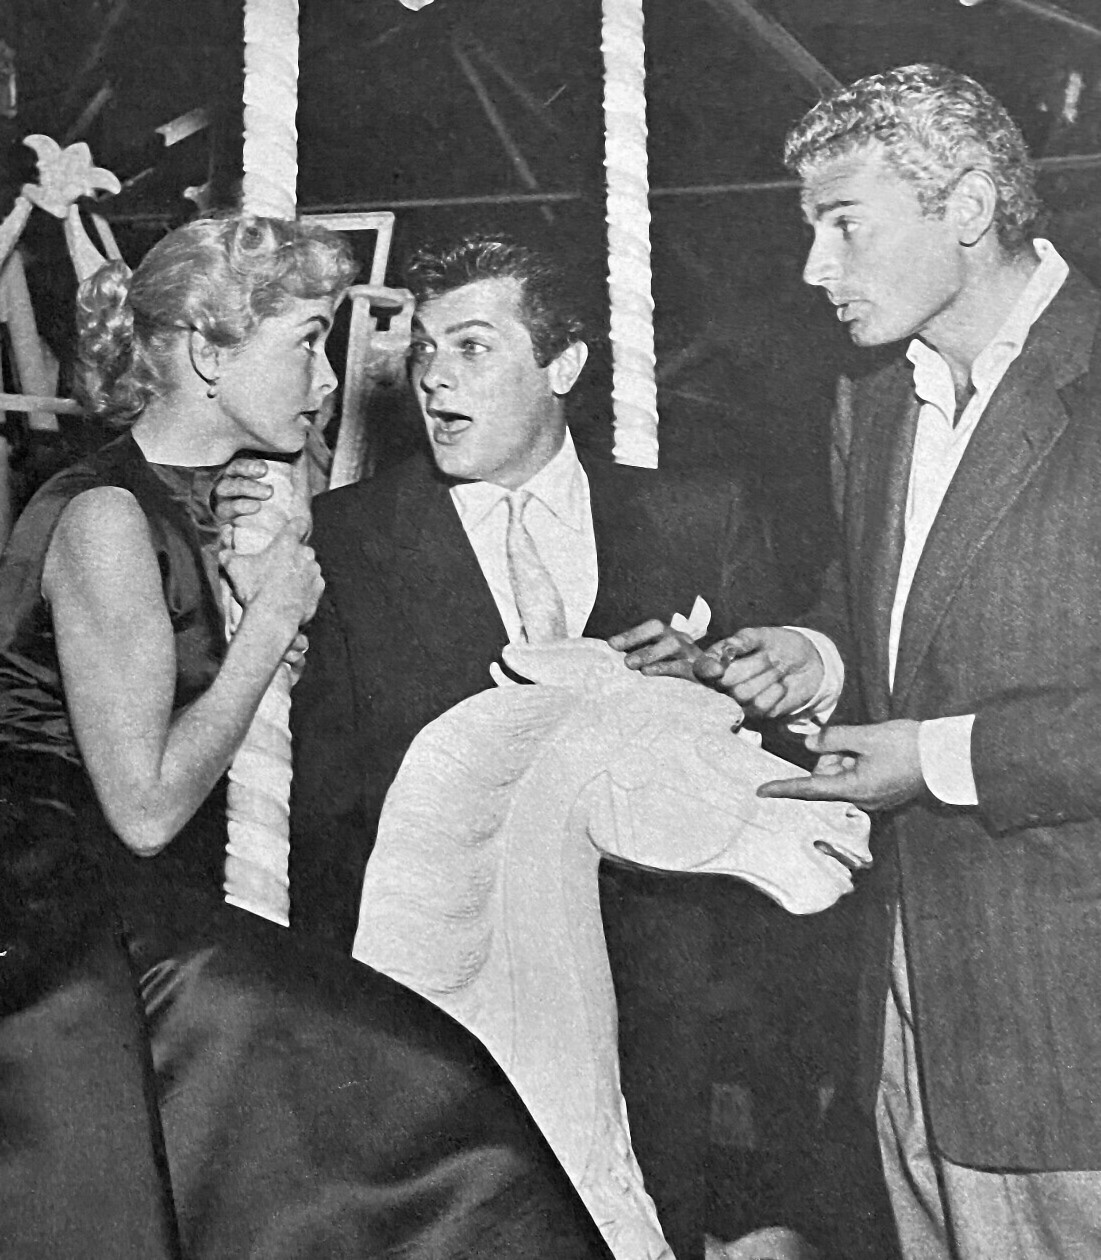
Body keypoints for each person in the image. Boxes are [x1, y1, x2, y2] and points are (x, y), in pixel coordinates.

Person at [0, 213, 614, 1260]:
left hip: (121, 891)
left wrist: (259, 606)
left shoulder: (192, 507)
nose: (329, 381)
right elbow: (145, 809)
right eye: (306, 343)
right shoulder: (104, 516)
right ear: (209, 355)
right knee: (431, 1095)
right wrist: (270, 624)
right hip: (58, 904)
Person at [221, 232, 790, 1259]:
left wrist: (709, 692)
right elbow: (313, 803)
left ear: (561, 363)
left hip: (657, 1013)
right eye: (426, 350)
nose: (434, 377)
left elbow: (787, 750)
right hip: (436, 1015)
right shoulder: (339, 539)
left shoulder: (696, 518)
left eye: (473, 347)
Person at [699, 63, 1101, 1260]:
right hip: (905, 1015)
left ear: (967, 206)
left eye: (844, 225)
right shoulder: (874, 400)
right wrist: (814, 655)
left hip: (1071, 1023)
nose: (813, 268)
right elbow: (893, 616)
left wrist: (932, 759)